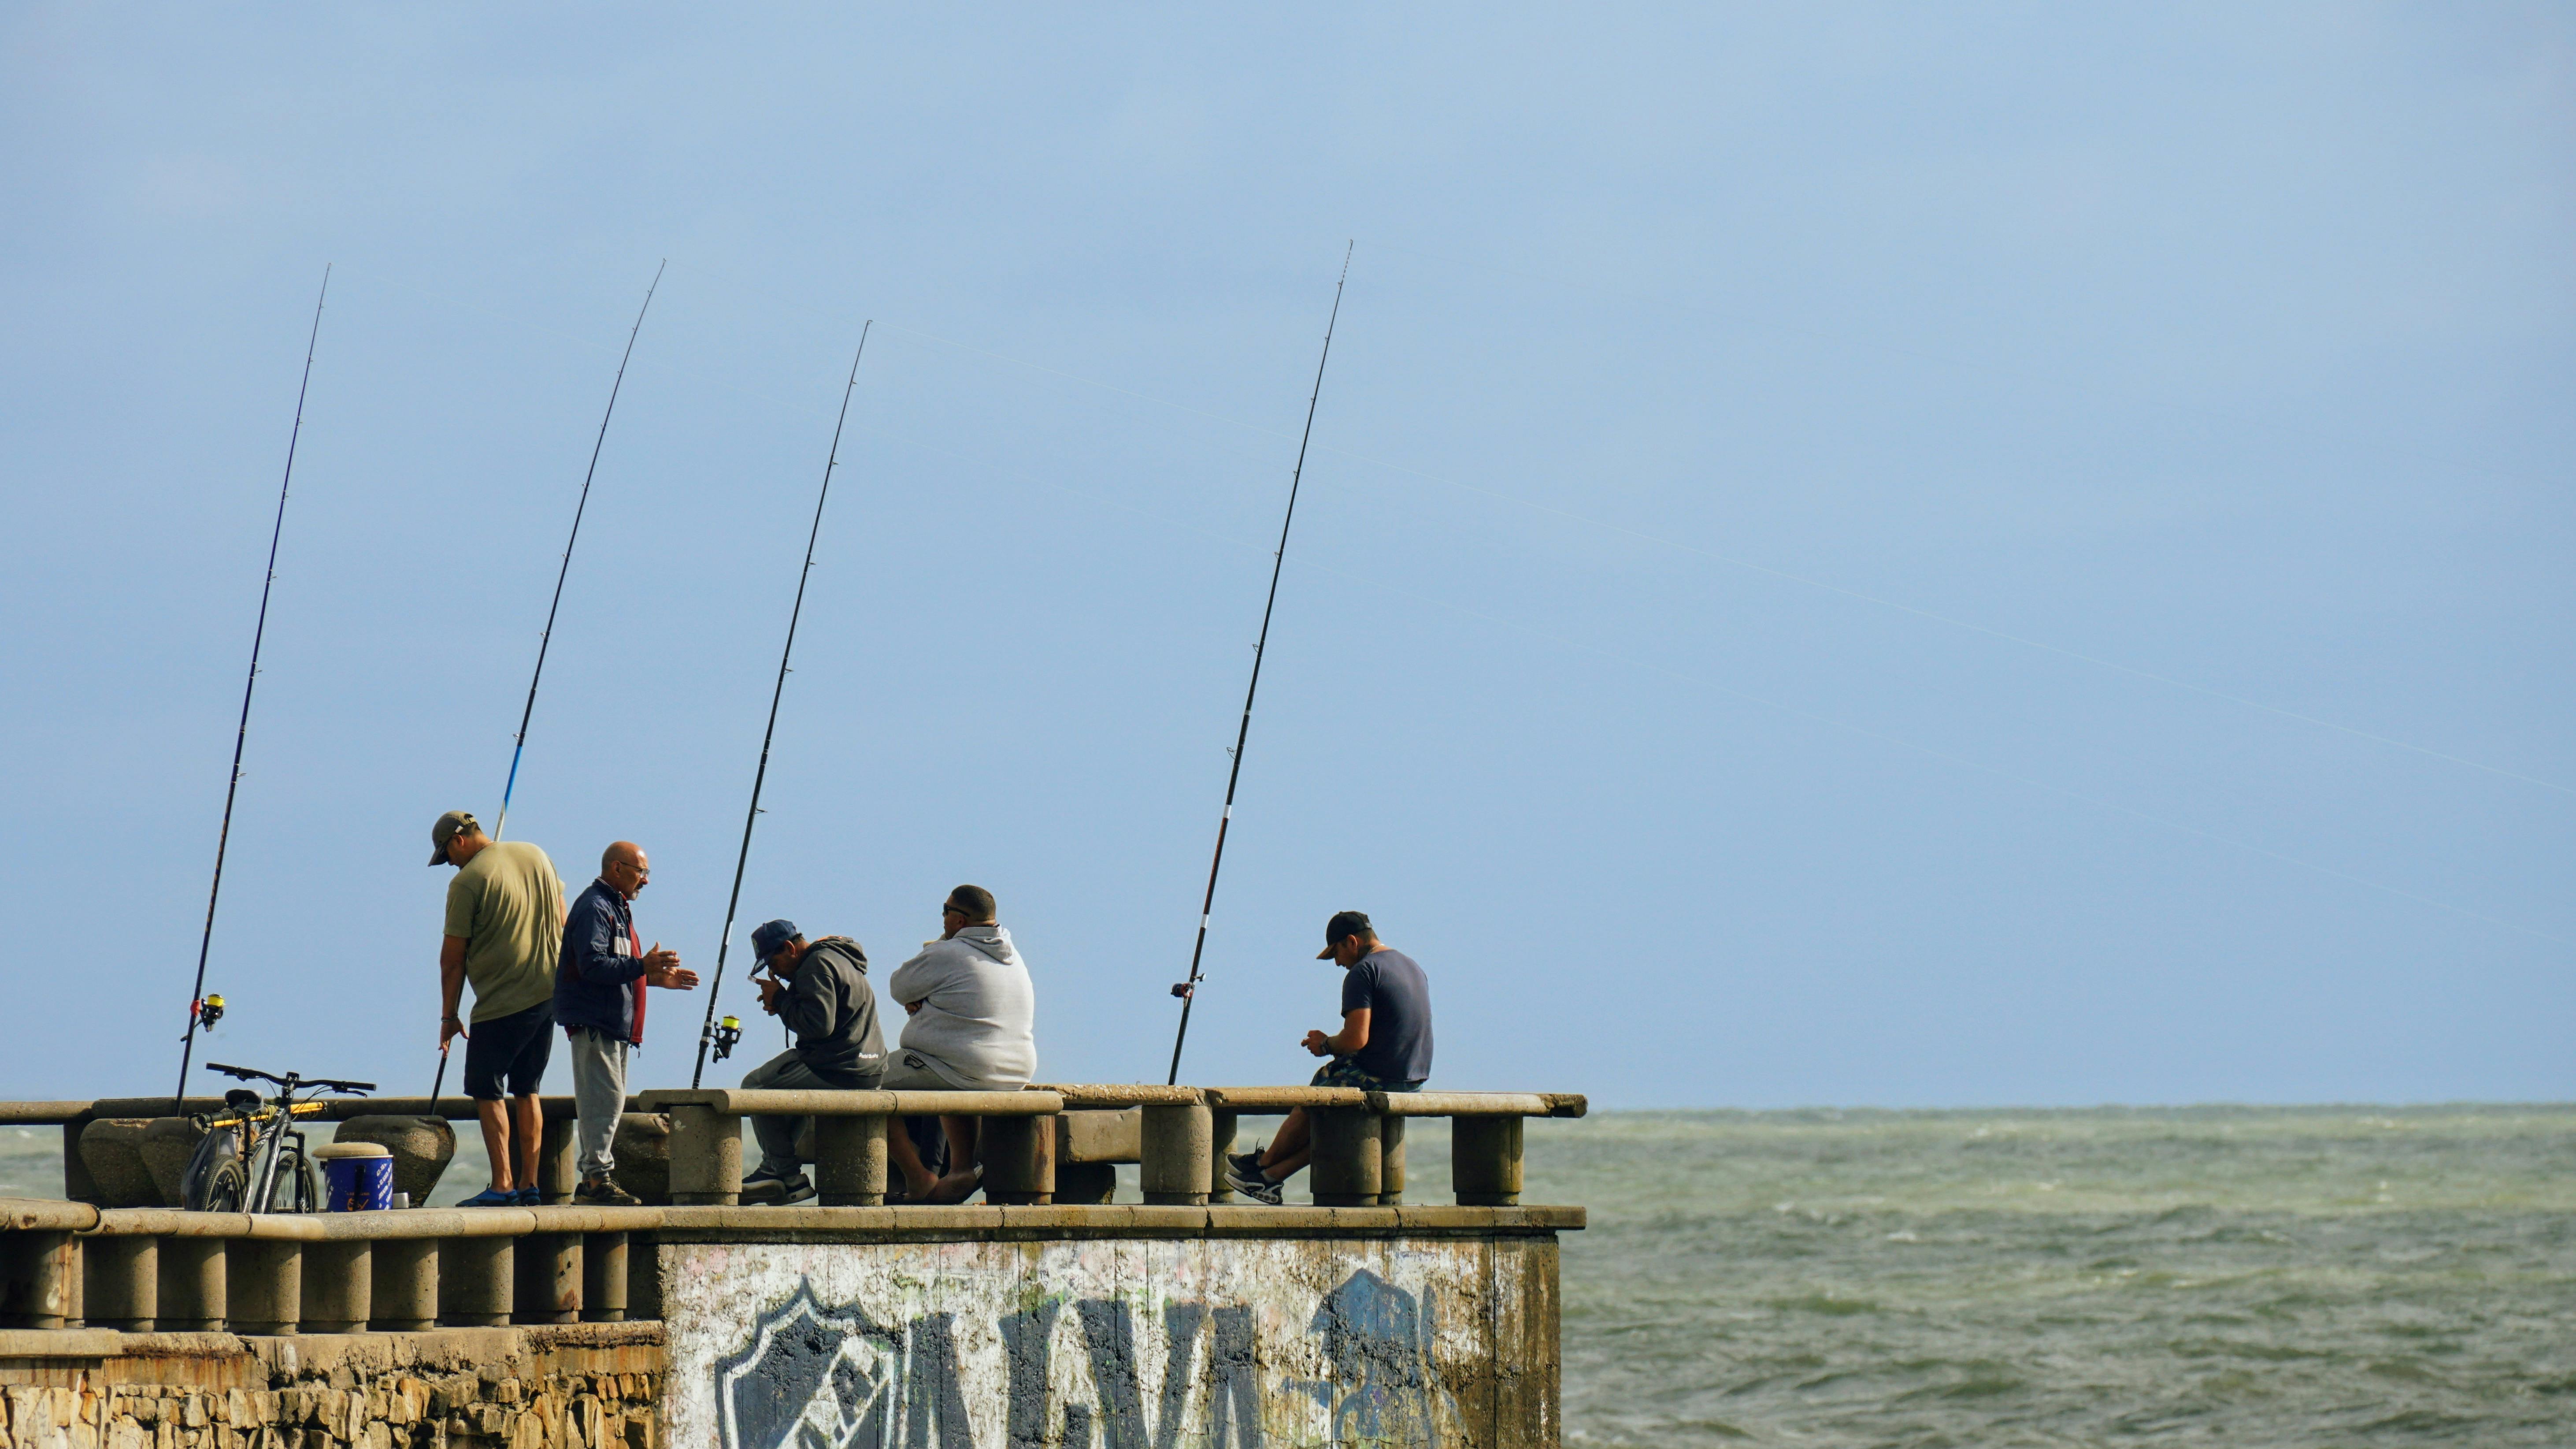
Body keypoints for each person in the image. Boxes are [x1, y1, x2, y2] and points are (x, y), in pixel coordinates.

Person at [1224, 910, 1432, 1206]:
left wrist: (1324, 1043)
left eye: (1335, 953)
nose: (1337, 963)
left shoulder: (1364, 971)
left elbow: (1355, 1039)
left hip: (1382, 1077)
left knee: (1324, 1086)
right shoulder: (1410, 966)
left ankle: (1261, 1165)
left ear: (1351, 942)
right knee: (1333, 1118)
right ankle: (1270, 1178)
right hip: (1413, 1078)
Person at [431, 809, 567, 1208]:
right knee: (528, 1089)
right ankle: (530, 1184)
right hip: (548, 994)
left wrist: (448, 1016)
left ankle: (503, 1185)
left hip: (501, 1002)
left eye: (447, 856)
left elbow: (452, 959)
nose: (450, 865)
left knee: (486, 1089)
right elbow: (562, 920)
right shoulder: (536, 854)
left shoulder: (467, 882)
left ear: (458, 841)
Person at [555, 841, 699, 1206]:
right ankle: (595, 1182)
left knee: (606, 1101)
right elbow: (592, 966)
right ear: (617, 869)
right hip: (596, 1022)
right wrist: (641, 967)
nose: (646, 881)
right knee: (604, 1101)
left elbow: (613, 967)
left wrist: (651, 978)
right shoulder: (595, 907)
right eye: (641, 872)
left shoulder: (615, 908)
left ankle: (594, 1178)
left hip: (614, 1024)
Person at [883, 884, 1037, 1203]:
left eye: (945, 910)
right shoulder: (1012, 955)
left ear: (959, 920)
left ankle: (919, 1179)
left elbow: (899, 987)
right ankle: (962, 1169)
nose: (942, 917)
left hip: (959, 1065)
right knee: (951, 1072)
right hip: (1014, 1072)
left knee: (860, 1083)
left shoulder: (947, 952)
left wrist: (941, 948)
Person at [739, 918, 886, 1205]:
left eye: (774, 960)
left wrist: (781, 1000)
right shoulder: (837, 959)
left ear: (790, 948)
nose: (773, 971)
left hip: (838, 1066)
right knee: (785, 1088)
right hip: (867, 1066)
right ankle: (778, 1170)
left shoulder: (814, 966)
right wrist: (787, 1002)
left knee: (755, 1086)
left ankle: (785, 1174)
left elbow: (819, 1026)